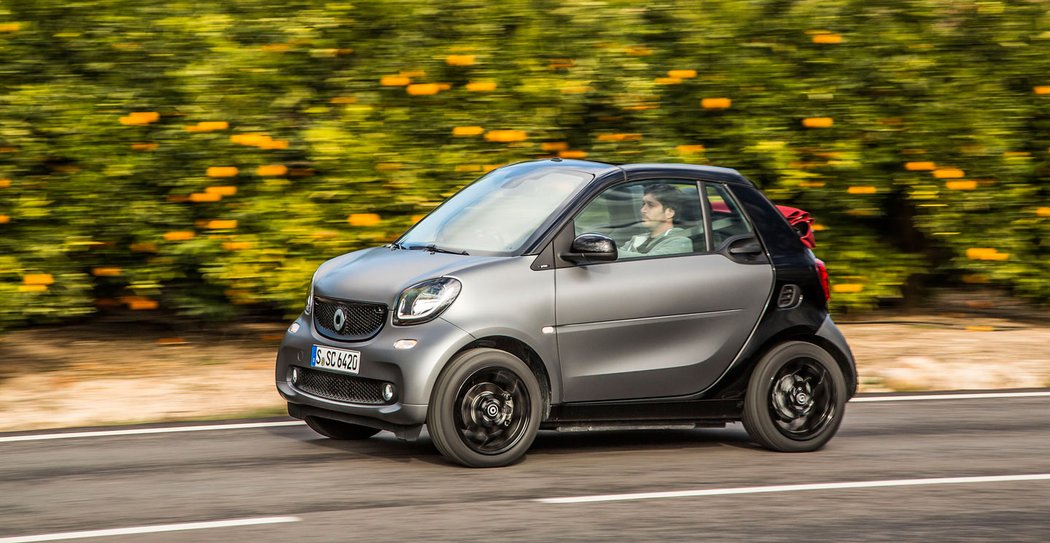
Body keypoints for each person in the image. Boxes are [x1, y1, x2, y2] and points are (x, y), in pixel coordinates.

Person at [618, 184, 693, 259]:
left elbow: (649, 262)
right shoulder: (637, 238)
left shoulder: (681, 242)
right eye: (643, 204)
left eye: (651, 205)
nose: (642, 210)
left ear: (669, 212)